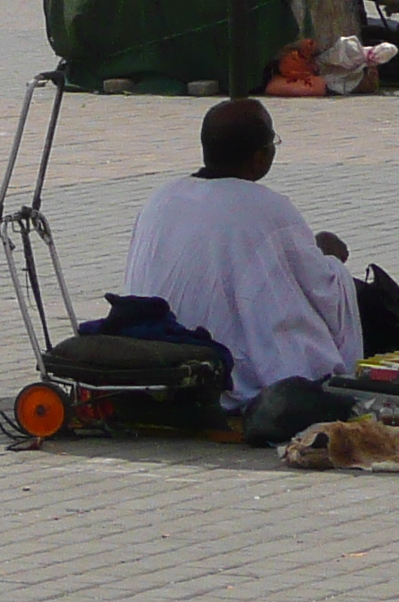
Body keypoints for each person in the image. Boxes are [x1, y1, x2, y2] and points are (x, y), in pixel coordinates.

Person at [119, 98, 363, 404]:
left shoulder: (160, 199)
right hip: (227, 366)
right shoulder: (269, 208)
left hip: (153, 354)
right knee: (353, 293)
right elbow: (322, 291)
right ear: (259, 157)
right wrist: (331, 256)